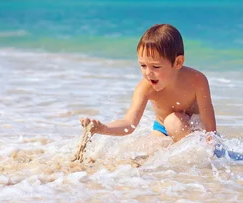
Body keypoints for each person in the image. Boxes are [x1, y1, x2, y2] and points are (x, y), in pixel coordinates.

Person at [79, 23, 217, 142]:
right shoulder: (145, 88)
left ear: (178, 62)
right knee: (144, 155)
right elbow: (129, 124)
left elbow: (209, 121)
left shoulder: (197, 80)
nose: (148, 73)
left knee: (174, 122)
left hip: (194, 129)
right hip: (162, 129)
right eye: (143, 65)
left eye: (155, 67)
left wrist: (211, 144)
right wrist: (103, 128)